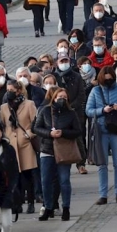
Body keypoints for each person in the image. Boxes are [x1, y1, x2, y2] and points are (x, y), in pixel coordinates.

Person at [86, 66, 117, 205]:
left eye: (110, 79)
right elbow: (88, 110)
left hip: (116, 129)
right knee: (102, 164)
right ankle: (103, 194)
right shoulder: (95, 91)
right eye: (105, 80)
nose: (108, 82)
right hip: (101, 130)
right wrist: (102, 110)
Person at [34, 87, 80, 221]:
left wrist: (63, 133)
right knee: (46, 180)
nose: (62, 99)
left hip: (64, 150)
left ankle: (66, 207)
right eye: (59, 97)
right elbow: (36, 128)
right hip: (47, 149)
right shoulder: (45, 111)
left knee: (64, 180)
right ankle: (48, 207)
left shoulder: (71, 113)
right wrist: (49, 133)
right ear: (53, 98)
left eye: (64, 97)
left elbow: (77, 131)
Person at [0, 80, 39, 213]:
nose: (9, 92)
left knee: (28, 175)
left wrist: (29, 133)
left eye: (12, 90)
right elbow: (2, 125)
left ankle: (31, 202)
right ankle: (18, 203)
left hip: (26, 144)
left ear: (19, 91)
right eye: (8, 90)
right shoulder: (4, 107)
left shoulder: (29, 104)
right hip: (11, 145)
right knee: (14, 176)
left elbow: (36, 123)